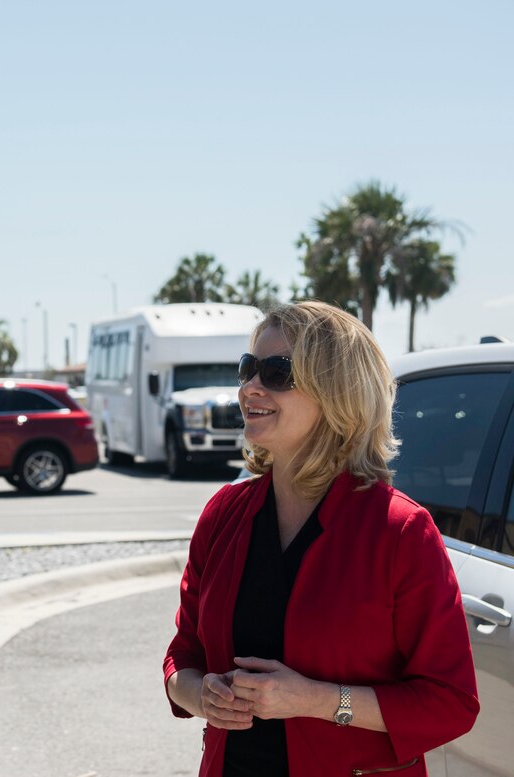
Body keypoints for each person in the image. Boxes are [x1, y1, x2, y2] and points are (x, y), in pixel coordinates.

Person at [162, 301, 479, 776]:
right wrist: (200, 694)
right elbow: (182, 656)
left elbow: (451, 702)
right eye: (248, 369)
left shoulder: (400, 531)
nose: (250, 387)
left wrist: (317, 700)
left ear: (337, 392)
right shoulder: (223, 515)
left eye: (277, 372)